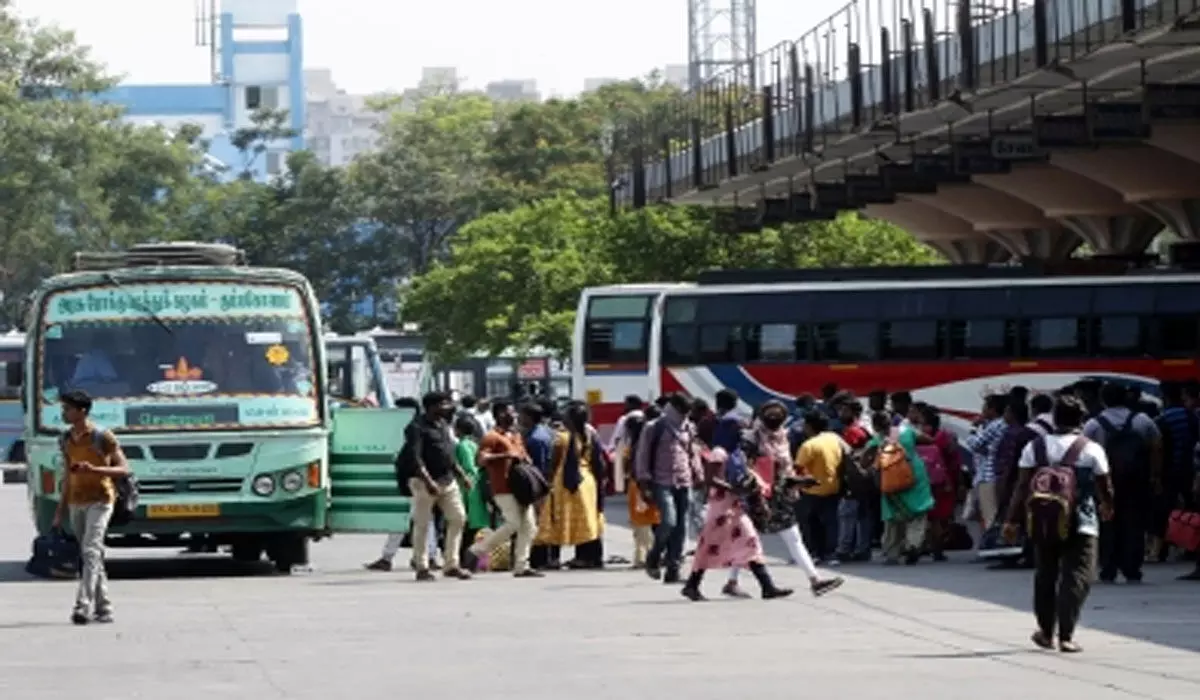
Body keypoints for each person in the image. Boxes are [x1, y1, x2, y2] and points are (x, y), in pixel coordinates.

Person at [1002, 394, 1114, 653]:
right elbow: (1105, 485)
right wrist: (1108, 506)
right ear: (1082, 420)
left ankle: (1045, 631)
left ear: (1054, 418)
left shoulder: (1035, 447)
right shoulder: (1091, 448)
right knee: (1076, 576)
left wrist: (1011, 520)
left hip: (1042, 521)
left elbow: (1021, 487)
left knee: (1045, 575)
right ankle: (1066, 635)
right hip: (1082, 522)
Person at [52, 390, 130, 625]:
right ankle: (104, 607)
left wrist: (95, 470)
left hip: (101, 499)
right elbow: (67, 475)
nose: (64, 413)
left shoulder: (102, 437)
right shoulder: (66, 439)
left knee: (90, 551)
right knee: (92, 555)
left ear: (81, 411)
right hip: (77, 501)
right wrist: (59, 510)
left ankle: (82, 605)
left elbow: (124, 469)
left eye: (67, 409)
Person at [680, 446, 793, 602]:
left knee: (750, 543)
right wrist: (733, 489)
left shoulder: (737, 454)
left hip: (735, 507)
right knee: (709, 548)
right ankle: (692, 585)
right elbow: (710, 479)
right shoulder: (718, 453)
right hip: (721, 509)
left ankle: (767, 586)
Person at [1083, 382, 1161, 584]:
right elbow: (1156, 448)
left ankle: (1108, 568)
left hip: (1104, 482)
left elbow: (1084, 453)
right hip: (1136, 482)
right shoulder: (1142, 420)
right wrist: (1154, 476)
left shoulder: (1093, 424)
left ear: (1103, 400)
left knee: (1107, 523)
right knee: (1134, 524)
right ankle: (1132, 568)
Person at [635, 392, 704, 584]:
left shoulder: (689, 427)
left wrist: (698, 474)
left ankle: (673, 569)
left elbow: (693, 453)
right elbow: (642, 455)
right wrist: (644, 482)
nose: (686, 414)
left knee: (682, 527)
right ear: (674, 407)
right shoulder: (654, 427)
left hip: (684, 481)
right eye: (683, 410)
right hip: (661, 480)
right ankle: (654, 556)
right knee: (669, 522)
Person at [469, 400, 542, 577]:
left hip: (521, 488)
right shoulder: (491, 437)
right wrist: (505, 455)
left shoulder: (515, 435)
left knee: (529, 527)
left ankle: (521, 565)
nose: (514, 415)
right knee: (513, 523)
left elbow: (523, 454)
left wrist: (525, 461)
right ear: (500, 414)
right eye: (510, 412)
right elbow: (481, 459)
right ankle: (478, 550)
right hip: (502, 487)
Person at [407, 391, 472, 581]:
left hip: (447, 480)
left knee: (458, 518)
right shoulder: (416, 427)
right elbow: (415, 458)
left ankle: (451, 564)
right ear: (432, 406)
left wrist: (461, 475)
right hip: (424, 482)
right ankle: (422, 566)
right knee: (422, 524)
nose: (448, 407)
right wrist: (428, 482)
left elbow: (448, 453)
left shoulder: (443, 425)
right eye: (444, 404)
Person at [535, 402, 604, 568]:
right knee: (586, 520)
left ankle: (551, 558)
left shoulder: (562, 438)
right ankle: (588, 556)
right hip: (588, 481)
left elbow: (554, 462)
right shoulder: (591, 434)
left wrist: (547, 480)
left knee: (555, 519)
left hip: (567, 481)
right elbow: (599, 462)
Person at [872, 410, 934, 565]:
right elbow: (929, 439)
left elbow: (866, 459)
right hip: (914, 476)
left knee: (893, 518)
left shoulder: (877, 440)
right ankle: (912, 545)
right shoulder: (907, 432)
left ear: (875, 426)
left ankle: (892, 552)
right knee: (917, 514)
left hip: (891, 480)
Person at [794, 412, 844, 564]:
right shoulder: (834, 438)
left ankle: (814, 553)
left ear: (809, 426)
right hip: (833, 486)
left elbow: (798, 468)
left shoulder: (809, 445)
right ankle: (831, 554)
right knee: (831, 522)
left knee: (811, 523)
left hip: (812, 489)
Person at [624, 407, 660, 568]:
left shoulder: (636, 446)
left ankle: (643, 556)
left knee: (641, 524)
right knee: (647, 522)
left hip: (637, 486)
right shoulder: (649, 443)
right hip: (646, 485)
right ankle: (645, 555)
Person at [453, 414, 490, 565]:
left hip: (467, 488)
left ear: (458, 430)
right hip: (476, 486)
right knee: (473, 528)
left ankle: (465, 559)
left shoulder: (461, 445)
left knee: (465, 526)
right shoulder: (475, 444)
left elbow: (468, 466)